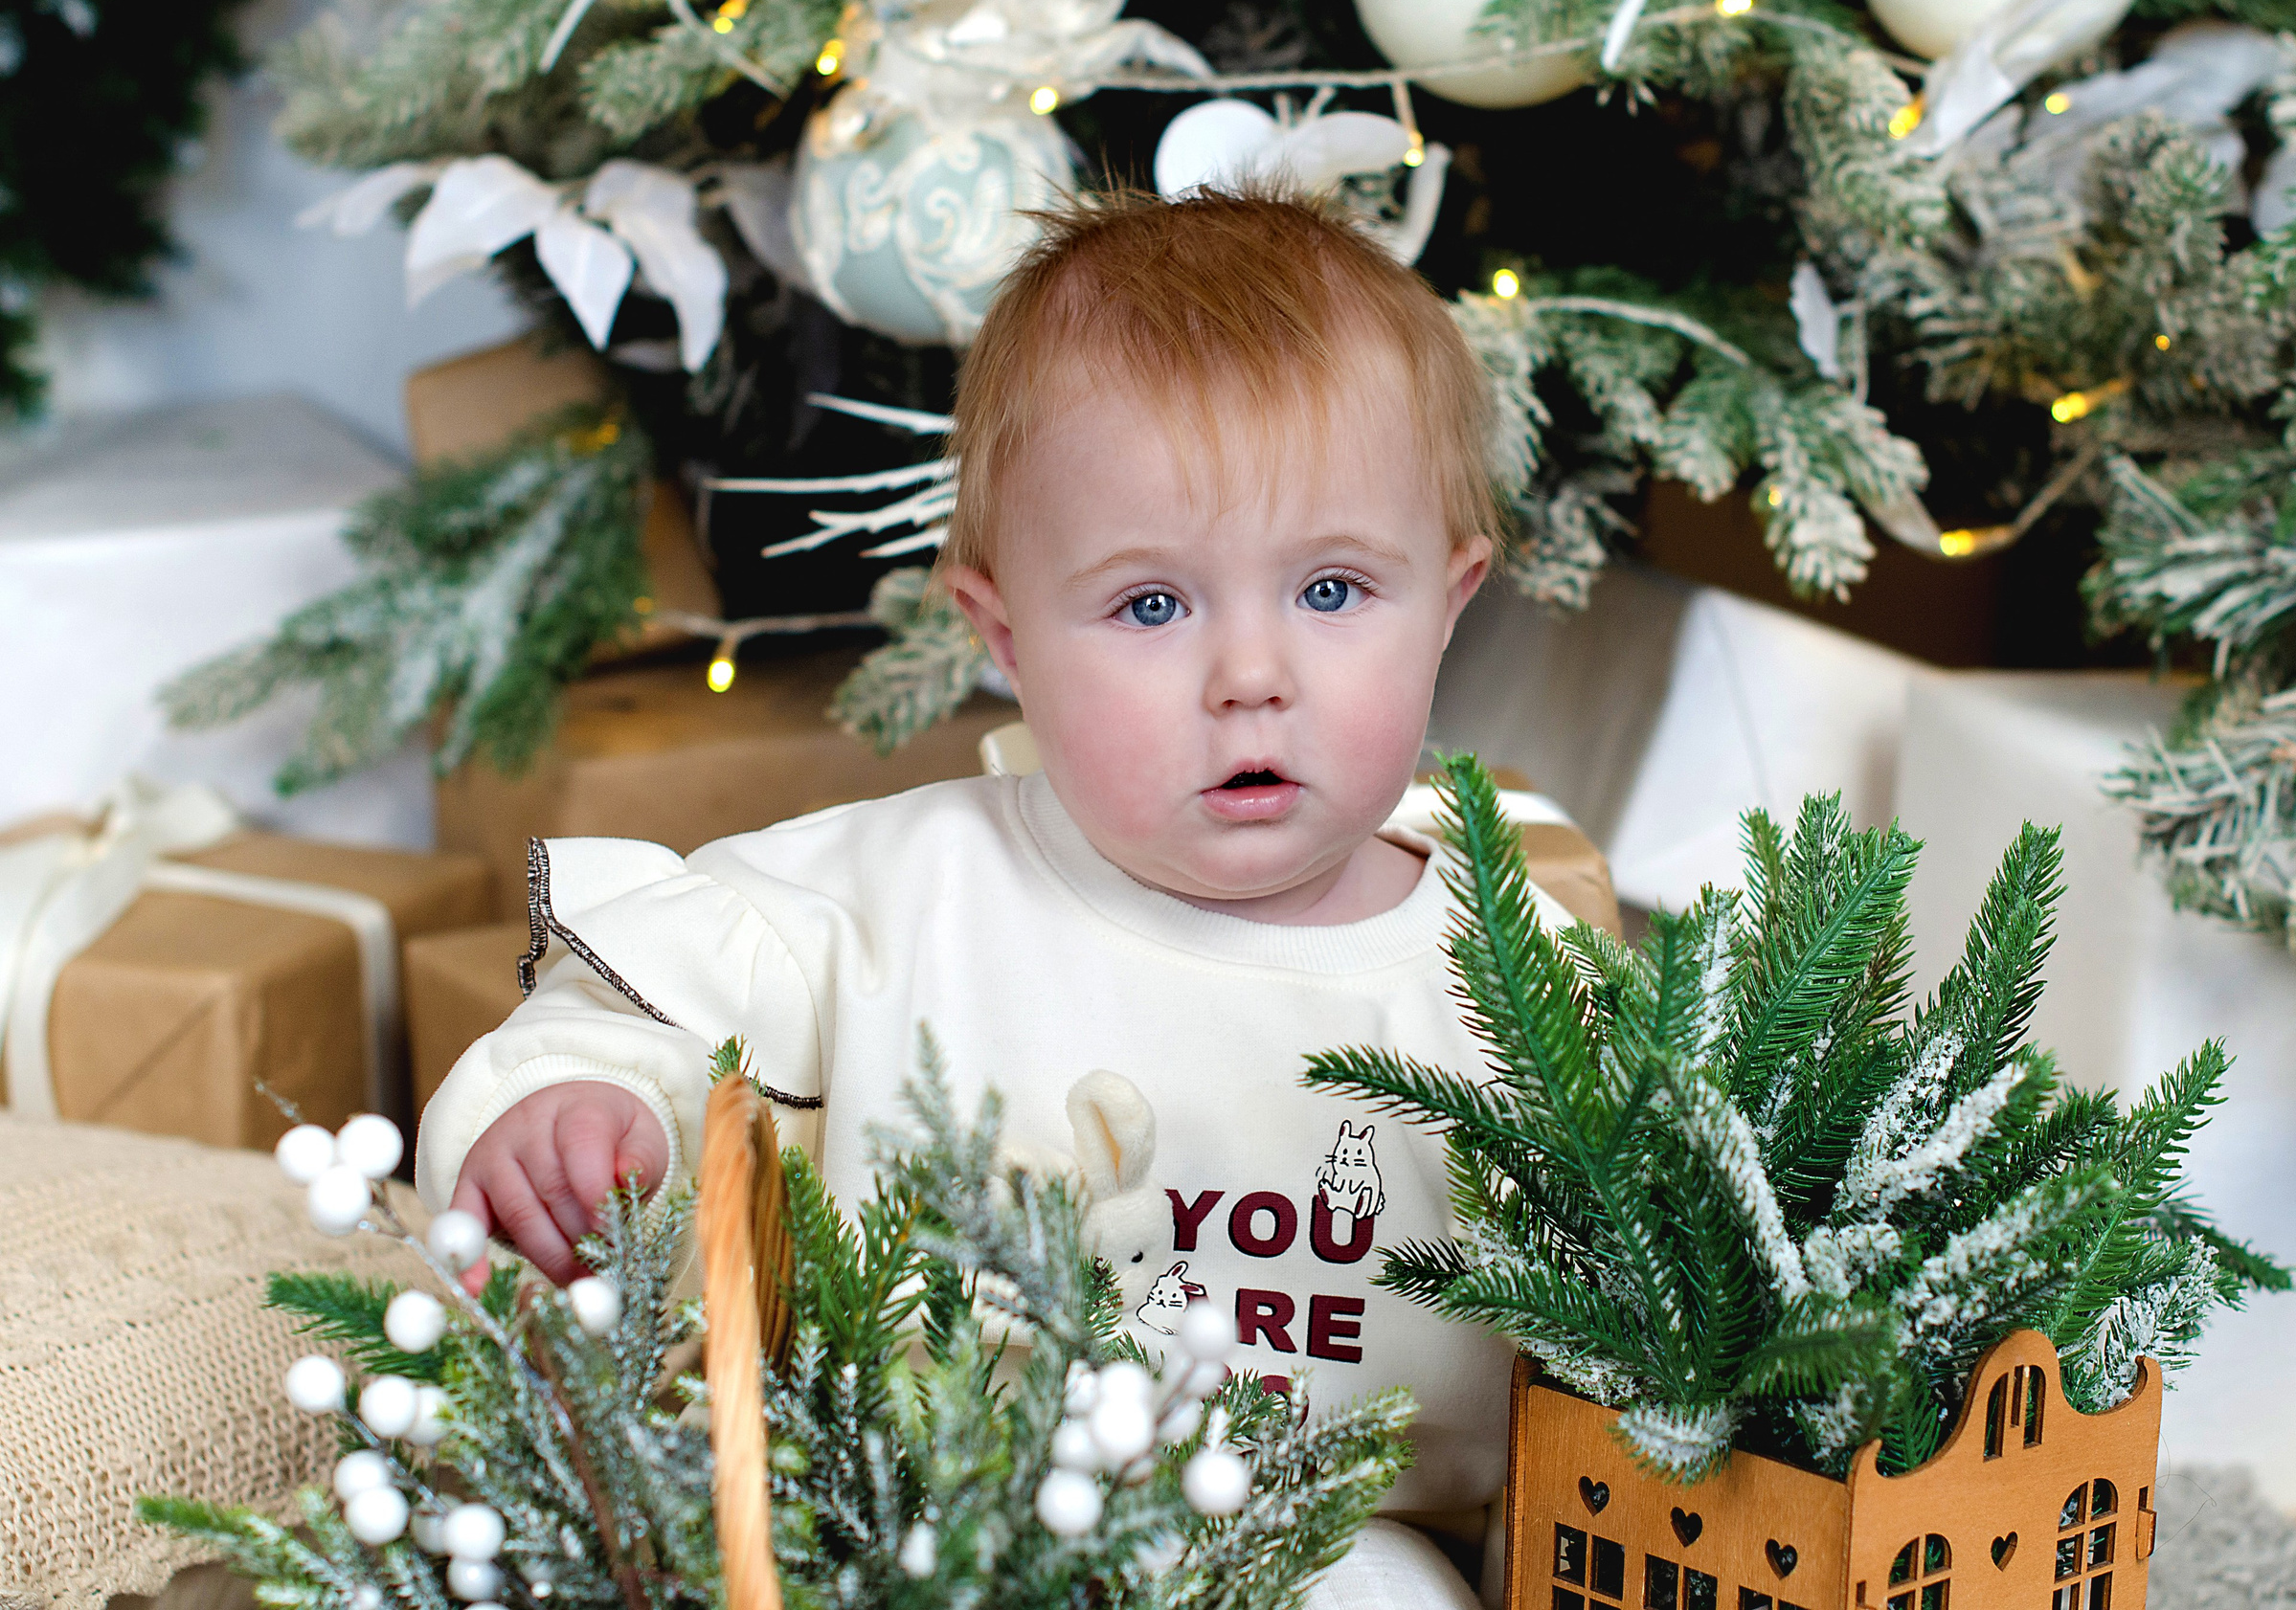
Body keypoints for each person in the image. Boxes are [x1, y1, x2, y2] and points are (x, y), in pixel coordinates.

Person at [416, 184, 1570, 1608]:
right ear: (1004, 632)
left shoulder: (1515, 982)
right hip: (930, 1521)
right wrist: (577, 1117)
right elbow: (629, 1021)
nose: (1252, 675)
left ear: (1452, 600)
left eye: (1333, 591)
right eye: (1153, 606)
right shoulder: (892, 899)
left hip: (1338, 1546)